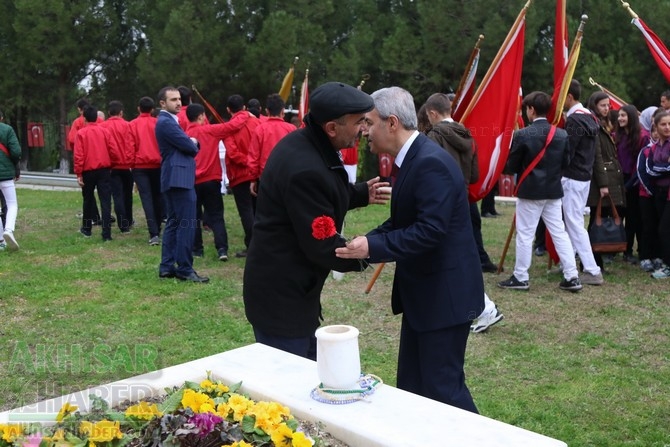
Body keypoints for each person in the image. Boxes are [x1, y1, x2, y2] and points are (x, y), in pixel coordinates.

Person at [336, 86, 484, 413]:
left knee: (443, 391)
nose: (363, 131)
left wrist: (371, 246)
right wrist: (364, 243)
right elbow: (403, 221)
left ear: (391, 123)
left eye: (368, 122)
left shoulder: (429, 162)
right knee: (414, 389)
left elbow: (428, 231)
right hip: (426, 298)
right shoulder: (413, 158)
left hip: (444, 299)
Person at [243, 81, 390, 361]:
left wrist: (359, 194)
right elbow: (322, 246)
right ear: (332, 128)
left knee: (308, 373)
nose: (364, 129)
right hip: (282, 298)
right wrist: (371, 251)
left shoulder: (309, 144)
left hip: (293, 293)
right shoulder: (305, 168)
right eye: (359, 122)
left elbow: (324, 193)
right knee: (289, 385)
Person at [497, 91, 582, 292]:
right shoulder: (561, 134)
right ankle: (572, 276)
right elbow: (566, 162)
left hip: (530, 191)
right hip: (553, 190)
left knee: (525, 234)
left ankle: (521, 277)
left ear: (531, 110)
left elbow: (511, 166)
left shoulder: (523, 134)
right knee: (559, 233)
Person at [423, 92, 498, 274]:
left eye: (427, 115)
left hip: (441, 198)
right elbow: (474, 176)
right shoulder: (468, 134)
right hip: (462, 196)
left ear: (433, 114)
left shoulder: (433, 136)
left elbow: (429, 173)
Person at [155, 86, 208, 283]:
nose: (178, 103)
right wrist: (192, 141)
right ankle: (185, 268)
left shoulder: (168, 121)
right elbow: (189, 147)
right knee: (186, 224)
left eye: (179, 99)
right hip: (179, 178)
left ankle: (167, 266)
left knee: (174, 223)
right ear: (162, 103)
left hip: (173, 177)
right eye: (173, 100)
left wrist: (190, 141)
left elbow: (186, 145)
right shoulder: (166, 122)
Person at [186, 103, 251, 261]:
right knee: (216, 215)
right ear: (201, 116)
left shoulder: (184, 135)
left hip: (192, 181)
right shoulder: (210, 130)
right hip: (211, 180)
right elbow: (232, 126)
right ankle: (222, 249)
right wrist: (244, 114)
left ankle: (197, 250)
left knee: (194, 217)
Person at [562, 80, 604, 285]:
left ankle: (592, 269)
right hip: (583, 177)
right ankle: (569, 265)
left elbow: (567, 152)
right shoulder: (590, 117)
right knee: (573, 222)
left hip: (572, 177)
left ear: (569, 97)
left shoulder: (575, 121)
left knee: (574, 224)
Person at [585, 92, 627, 270]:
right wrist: (603, 184)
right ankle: (593, 260)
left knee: (599, 219)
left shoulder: (603, 124)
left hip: (609, 178)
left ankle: (597, 258)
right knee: (596, 221)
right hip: (600, 182)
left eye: (608, 105)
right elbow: (598, 157)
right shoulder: (594, 124)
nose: (607, 108)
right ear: (594, 105)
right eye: (603, 105)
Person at [223, 94, 261, 257]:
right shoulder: (257, 122)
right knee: (257, 210)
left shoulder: (229, 127)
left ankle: (252, 244)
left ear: (228, 110)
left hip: (240, 175)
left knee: (246, 211)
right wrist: (253, 162)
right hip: (256, 172)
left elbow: (232, 153)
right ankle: (260, 242)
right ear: (244, 107)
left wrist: (247, 161)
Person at [74, 106, 116, 241]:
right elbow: (113, 150)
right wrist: (111, 165)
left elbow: (78, 155)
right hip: (104, 169)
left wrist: (78, 173)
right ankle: (107, 233)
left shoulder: (81, 133)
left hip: (88, 170)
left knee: (88, 199)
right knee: (105, 200)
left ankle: (87, 229)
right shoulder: (105, 131)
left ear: (84, 118)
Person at [129, 96, 163, 246]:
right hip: (158, 164)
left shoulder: (133, 124)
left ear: (138, 108)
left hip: (140, 166)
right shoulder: (158, 123)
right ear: (153, 109)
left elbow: (130, 146)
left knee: (146, 198)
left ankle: (153, 232)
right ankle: (158, 227)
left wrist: (131, 164)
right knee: (158, 196)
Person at [248, 93, 296, 197]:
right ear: (283, 111)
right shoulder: (291, 129)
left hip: (266, 177)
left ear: (267, 111)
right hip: (287, 176)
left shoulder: (260, 130)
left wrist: (253, 179)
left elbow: (253, 157)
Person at [615, 104, 646, 264]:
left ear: (631, 117)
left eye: (623, 116)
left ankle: (633, 251)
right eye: (619, 115)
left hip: (635, 182)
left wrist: (629, 185)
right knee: (618, 217)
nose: (620, 118)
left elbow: (640, 164)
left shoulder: (642, 137)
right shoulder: (616, 136)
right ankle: (618, 249)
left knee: (634, 219)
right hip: (619, 181)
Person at [101, 100, 135, 233]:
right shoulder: (128, 125)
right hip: (127, 165)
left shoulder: (103, 127)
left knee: (117, 195)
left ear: (108, 112)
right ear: (121, 112)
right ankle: (129, 219)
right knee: (128, 194)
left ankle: (123, 224)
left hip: (112, 166)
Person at [0, 109, 21, 251]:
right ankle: (8, 229)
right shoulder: (7, 130)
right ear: (1, 117)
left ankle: (1, 240)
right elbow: (16, 152)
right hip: (5, 173)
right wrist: (15, 166)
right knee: (12, 204)